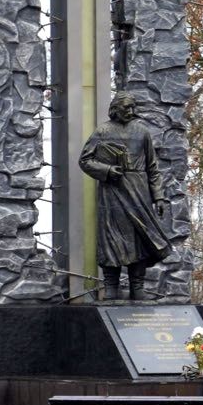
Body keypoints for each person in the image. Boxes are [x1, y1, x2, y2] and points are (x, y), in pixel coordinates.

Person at [79, 91, 170, 300]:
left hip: (139, 191)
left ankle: (137, 286)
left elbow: (152, 167)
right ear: (115, 109)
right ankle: (111, 285)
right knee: (111, 236)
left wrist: (158, 196)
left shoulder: (142, 131)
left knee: (140, 236)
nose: (131, 111)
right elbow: (85, 160)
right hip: (112, 191)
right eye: (126, 107)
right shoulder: (102, 131)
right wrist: (107, 170)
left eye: (133, 107)